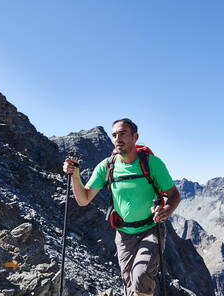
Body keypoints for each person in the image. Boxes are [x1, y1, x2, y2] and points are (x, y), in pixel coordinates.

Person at [63, 118, 181, 296]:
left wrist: (165, 211)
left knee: (141, 277)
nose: (118, 138)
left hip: (151, 230)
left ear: (135, 137)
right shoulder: (107, 167)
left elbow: (173, 195)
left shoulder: (152, 164)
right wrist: (75, 175)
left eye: (123, 134)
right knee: (130, 288)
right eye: (114, 135)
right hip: (124, 236)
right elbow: (84, 199)